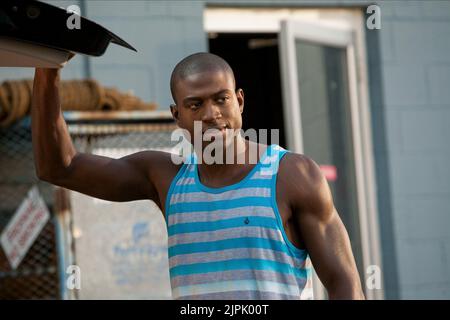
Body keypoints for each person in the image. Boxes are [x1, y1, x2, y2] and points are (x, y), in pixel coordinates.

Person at [32, 52, 364, 300]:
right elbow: (58, 167)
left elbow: (344, 283)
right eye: (195, 105)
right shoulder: (165, 178)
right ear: (177, 115)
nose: (211, 114)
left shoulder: (292, 175)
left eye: (221, 99)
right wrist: (48, 67)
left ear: (240, 100)